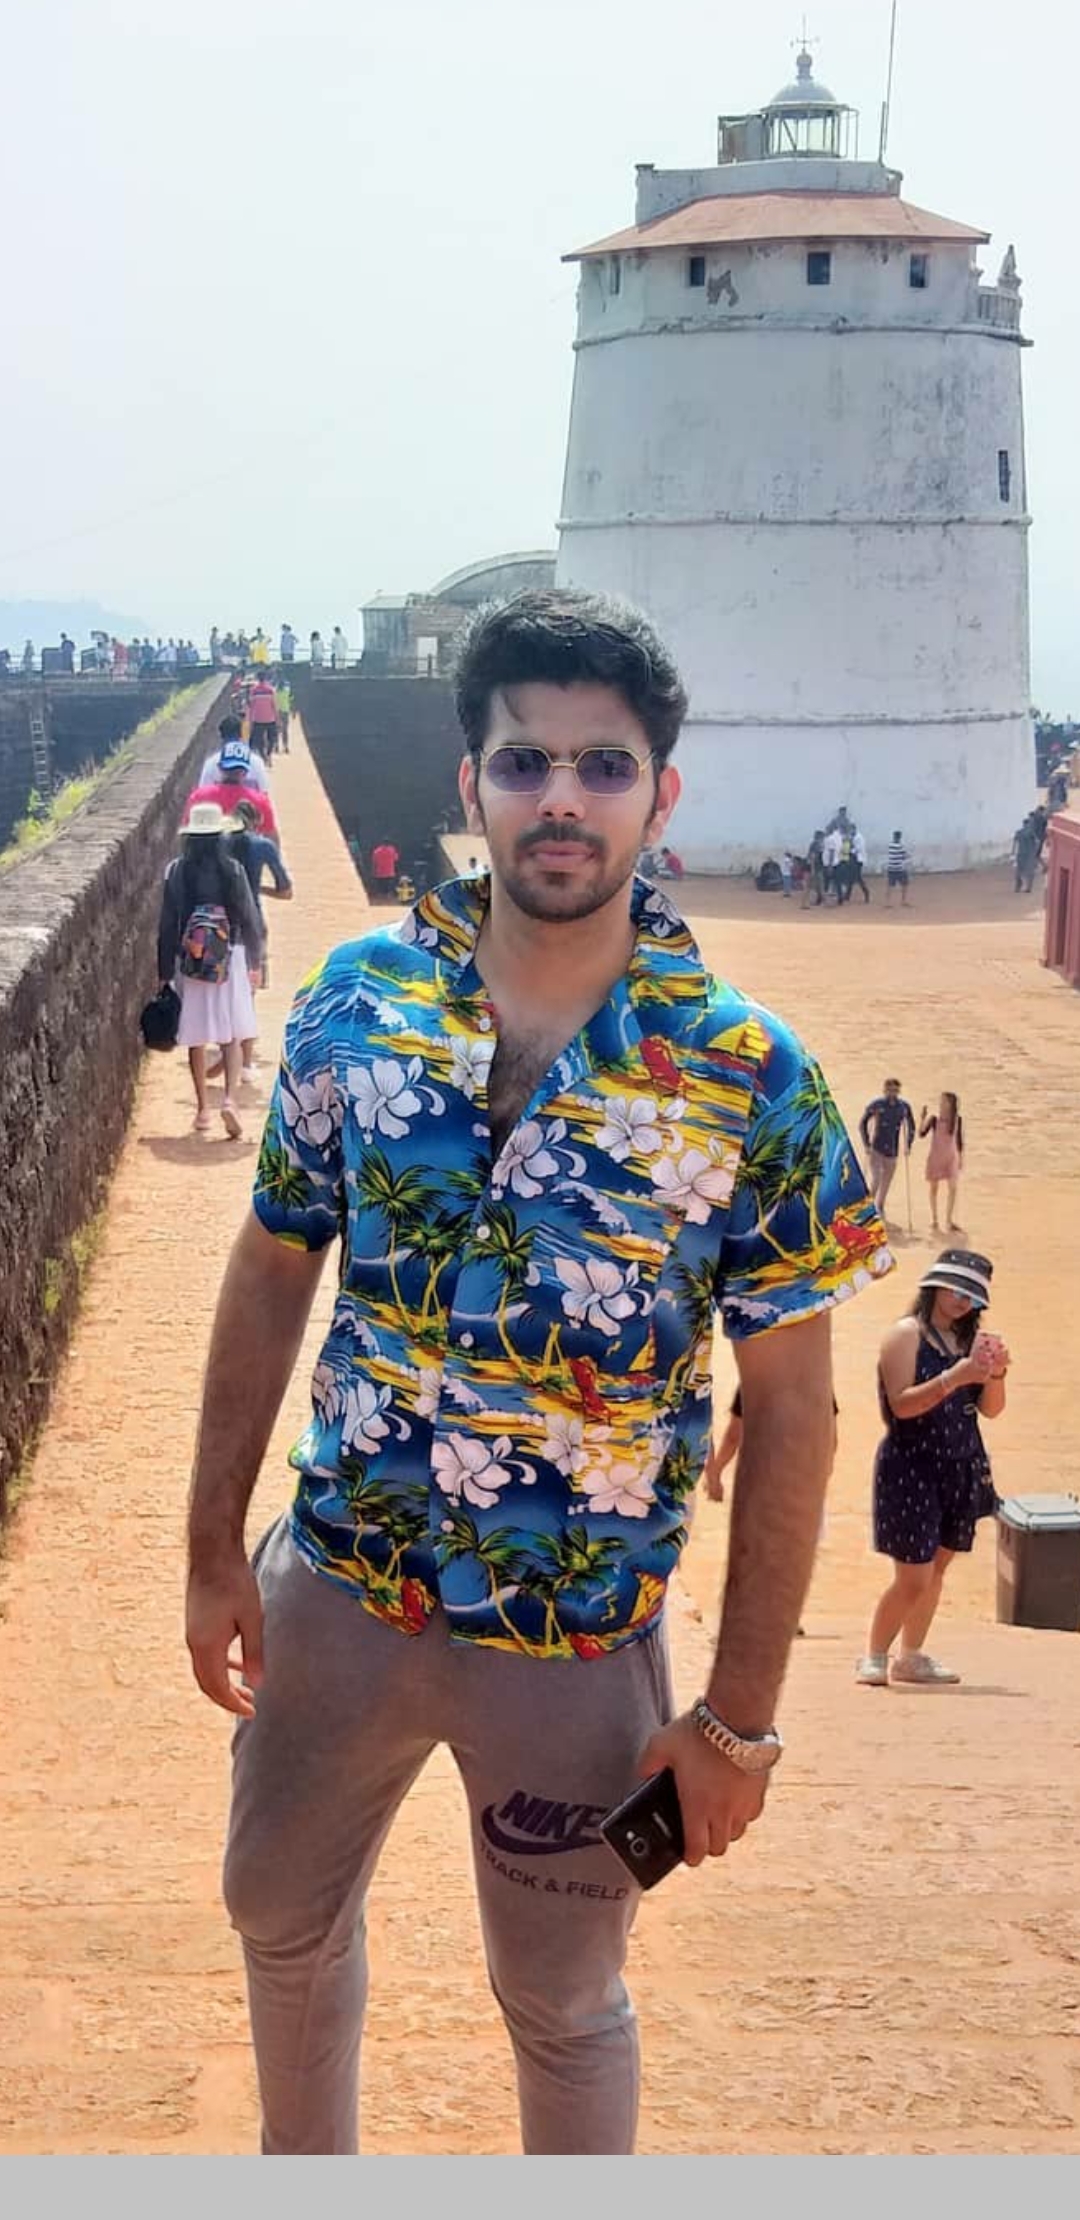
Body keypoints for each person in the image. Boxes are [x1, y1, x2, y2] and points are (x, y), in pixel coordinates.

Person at [185, 586, 891, 2158]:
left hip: (575, 1640)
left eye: (602, 765)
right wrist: (209, 1548)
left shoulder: (753, 1076)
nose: (561, 798)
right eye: (525, 762)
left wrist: (739, 1721)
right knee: (277, 1922)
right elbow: (275, 1257)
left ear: (660, 794)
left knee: (566, 2000)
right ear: (473, 784)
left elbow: (794, 1410)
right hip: (339, 1587)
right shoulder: (356, 1005)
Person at [856, 1250, 1008, 1687]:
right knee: (914, 1576)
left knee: (937, 1570)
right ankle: (874, 1655)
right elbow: (902, 1406)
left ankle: (911, 1655)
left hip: (961, 1463)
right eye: (956, 1289)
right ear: (936, 1285)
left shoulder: (969, 1341)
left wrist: (995, 1374)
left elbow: (991, 1410)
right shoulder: (906, 1334)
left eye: (971, 1296)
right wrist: (957, 1377)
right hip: (911, 1465)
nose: (961, 1301)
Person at [156, 802, 264, 1136]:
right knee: (231, 1034)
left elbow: (168, 923)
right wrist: (256, 961)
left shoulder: (177, 871)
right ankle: (229, 1100)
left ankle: (203, 1110)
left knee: (196, 1036)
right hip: (229, 955)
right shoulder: (232, 870)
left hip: (192, 959)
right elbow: (249, 917)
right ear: (220, 836)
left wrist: (164, 969)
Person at [184, 735, 279, 843]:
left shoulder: (199, 796)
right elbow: (271, 838)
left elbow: (187, 832)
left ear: (220, 768)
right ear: (245, 773)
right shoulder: (259, 801)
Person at [859, 1079, 915, 1221]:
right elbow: (863, 1123)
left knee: (886, 1181)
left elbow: (911, 1126)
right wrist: (866, 1143)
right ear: (885, 1090)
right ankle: (868, 1206)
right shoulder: (877, 1105)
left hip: (892, 1151)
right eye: (889, 1090)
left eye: (895, 1090)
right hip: (876, 1148)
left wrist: (908, 1144)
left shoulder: (903, 1107)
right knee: (876, 1178)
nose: (892, 1093)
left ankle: (880, 1205)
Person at [919, 1092, 964, 1233]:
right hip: (936, 1157)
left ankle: (949, 1220)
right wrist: (922, 1119)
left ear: (951, 1105)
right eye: (941, 1101)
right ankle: (934, 1219)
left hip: (951, 1158)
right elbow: (921, 1134)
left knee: (953, 1188)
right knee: (934, 1188)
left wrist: (961, 1159)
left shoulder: (957, 1120)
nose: (942, 1104)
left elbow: (959, 1141)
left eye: (945, 1102)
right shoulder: (934, 1120)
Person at [200, 713, 271, 795]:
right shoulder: (256, 761)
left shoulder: (211, 763)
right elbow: (264, 793)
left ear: (221, 736)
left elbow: (203, 793)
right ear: (241, 734)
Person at [248, 674, 279, 761]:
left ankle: (263, 756)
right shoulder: (271, 690)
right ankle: (268, 754)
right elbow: (274, 706)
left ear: (258, 678)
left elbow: (251, 707)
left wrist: (250, 721)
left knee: (259, 741)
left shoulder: (254, 690)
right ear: (265, 678)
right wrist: (277, 718)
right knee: (272, 739)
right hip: (270, 719)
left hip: (258, 719)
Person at [1012, 815, 1040, 894]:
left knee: (1019, 871)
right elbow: (1037, 841)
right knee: (1029, 872)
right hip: (1029, 854)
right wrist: (1035, 850)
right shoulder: (1031, 832)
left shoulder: (1019, 832)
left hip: (1021, 853)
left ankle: (1018, 887)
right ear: (1027, 824)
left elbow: (1014, 843)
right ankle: (1028, 887)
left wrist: (1013, 852)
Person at [884, 830, 911, 908]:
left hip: (891, 868)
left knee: (889, 886)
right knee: (905, 884)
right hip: (899, 869)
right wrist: (907, 856)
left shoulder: (890, 845)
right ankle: (903, 901)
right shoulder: (901, 846)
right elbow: (905, 856)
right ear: (900, 837)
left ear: (894, 837)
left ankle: (888, 902)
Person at [821, 823, 841, 902]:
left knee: (828, 881)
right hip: (830, 863)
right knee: (834, 881)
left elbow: (832, 852)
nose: (825, 830)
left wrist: (830, 865)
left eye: (827, 829)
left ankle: (828, 899)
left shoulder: (830, 839)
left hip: (831, 864)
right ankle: (837, 898)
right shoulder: (828, 839)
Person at [849, 825, 870, 903]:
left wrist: (850, 851)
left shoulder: (859, 838)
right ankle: (847, 895)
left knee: (858, 878)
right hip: (855, 859)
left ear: (854, 829)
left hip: (858, 859)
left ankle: (866, 892)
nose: (850, 832)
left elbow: (858, 848)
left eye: (851, 830)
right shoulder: (853, 837)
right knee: (851, 878)